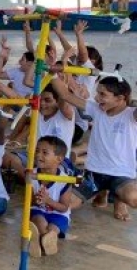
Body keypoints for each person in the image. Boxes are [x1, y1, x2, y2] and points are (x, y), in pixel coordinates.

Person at [49, 75, 137, 221]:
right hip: (93, 174)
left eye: (102, 95)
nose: (96, 98)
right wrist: (51, 72)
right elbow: (65, 95)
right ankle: (102, 192)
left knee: (133, 198)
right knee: (64, 203)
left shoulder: (131, 116)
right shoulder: (96, 109)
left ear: (120, 98)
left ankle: (118, 199)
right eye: (97, 93)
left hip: (122, 175)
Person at [29, 136, 74, 258]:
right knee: (38, 219)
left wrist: (48, 200)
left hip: (58, 214)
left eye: (45, 152)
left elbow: (64, 208)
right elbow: (29, 201)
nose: (38, 155)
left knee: (54, 227)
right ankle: (45, 241)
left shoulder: (65, 180)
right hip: (39, 210)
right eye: (37, 150)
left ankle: (40, 240)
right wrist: (36, 200)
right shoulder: (32, 174)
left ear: (59, 159)